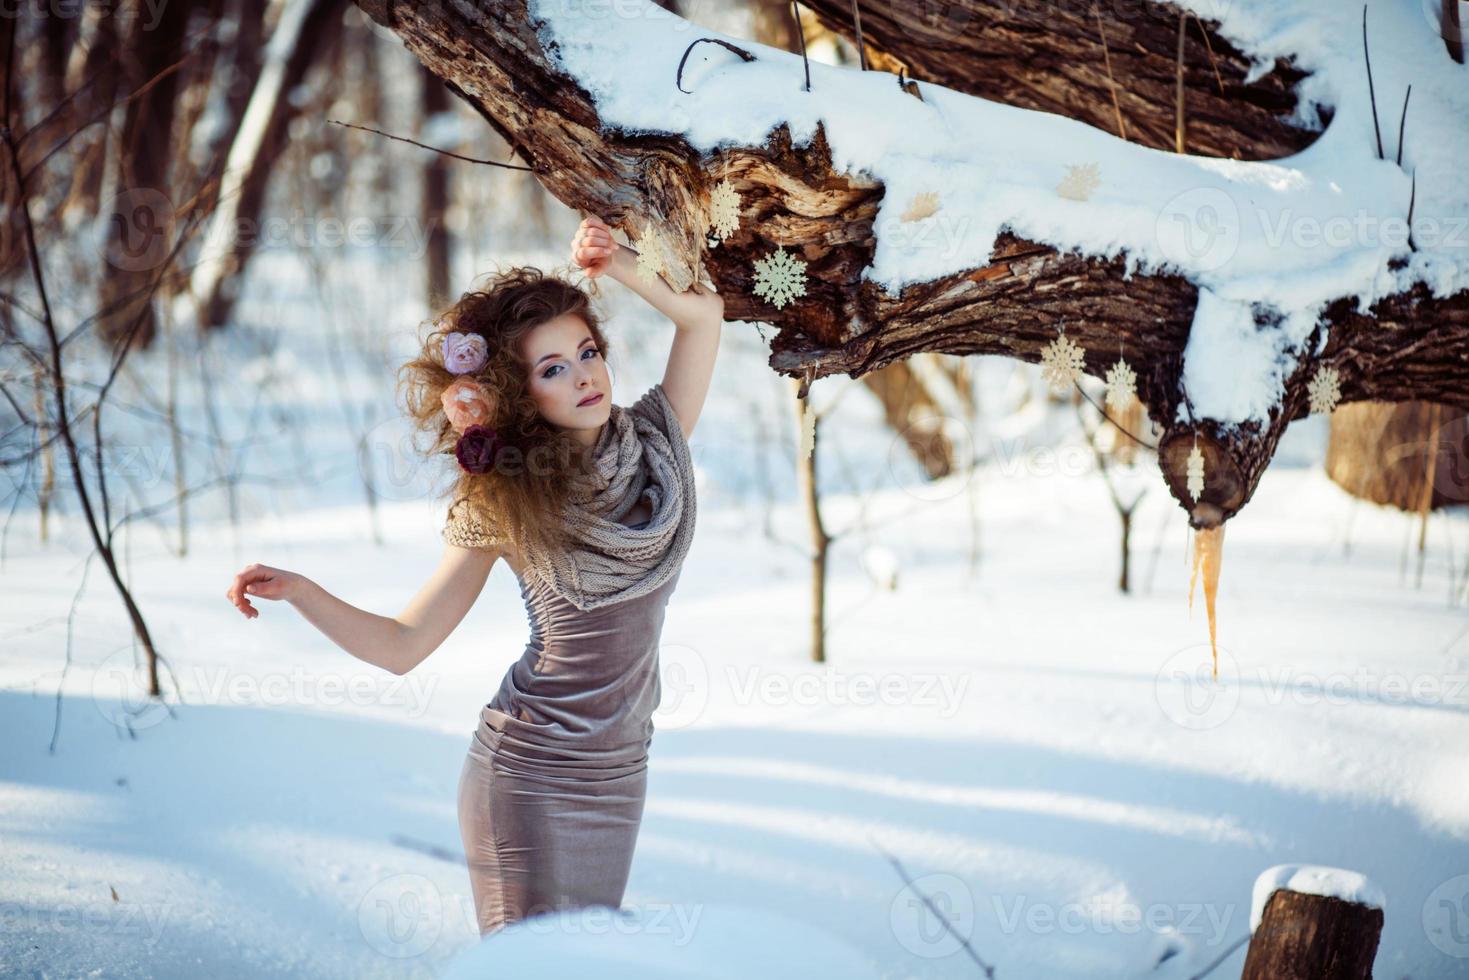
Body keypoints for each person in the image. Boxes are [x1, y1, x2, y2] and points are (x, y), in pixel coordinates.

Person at [224, 214, 724, 936]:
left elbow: (703, 318)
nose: (583, 374)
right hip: (530, 774)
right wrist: (302, 591)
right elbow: (402, 645)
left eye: (587, 351)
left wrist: (614, 265)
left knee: (587, 964)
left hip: (621, 771)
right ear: (520, 395)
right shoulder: (505, 495)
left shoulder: (653, 446)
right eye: (551, 367)